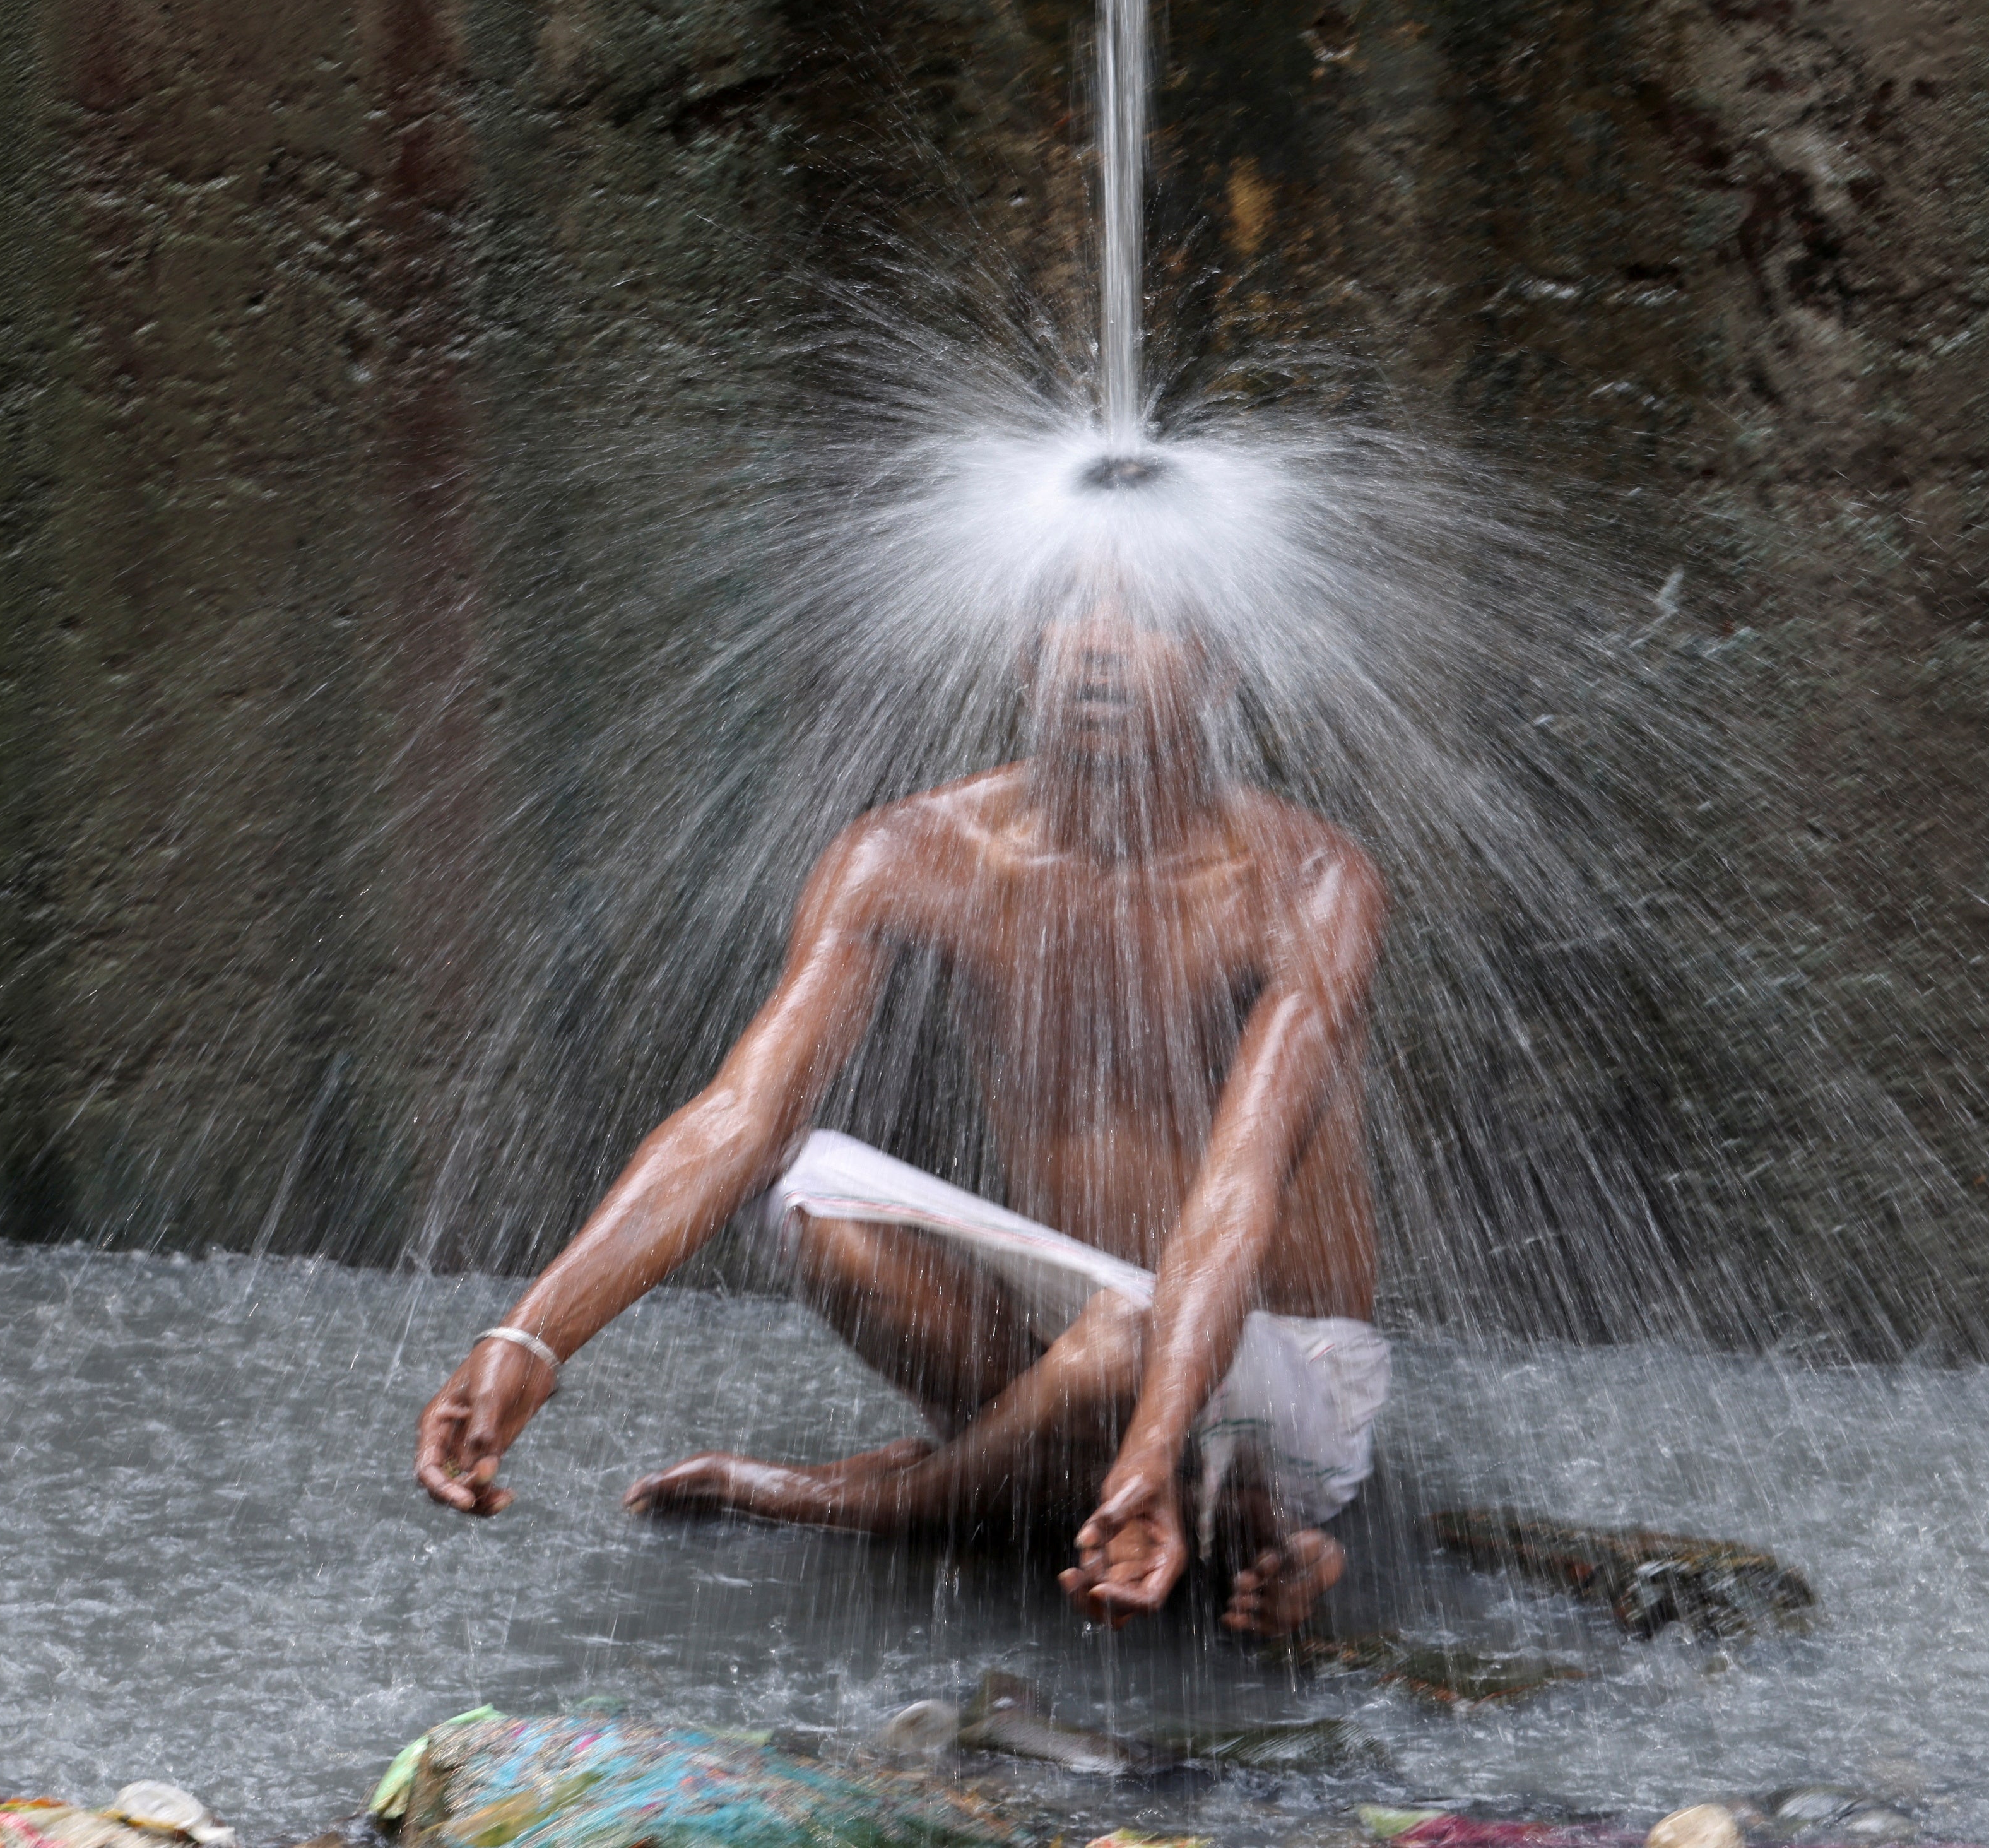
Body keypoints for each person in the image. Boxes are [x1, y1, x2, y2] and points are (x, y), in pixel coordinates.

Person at [413, 579, 1388, 1637]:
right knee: (804, 1194)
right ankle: (1189, 1516)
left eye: (1149, 611)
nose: (1097, 646)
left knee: (1124, 1343)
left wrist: (1156, 1440)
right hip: (1077, 1335)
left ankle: (919, 1501)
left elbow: (1239, 1193)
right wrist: (531, 1335)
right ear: (1023, 650)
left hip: (1283, 1369)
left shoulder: (1305, 876)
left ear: (1220, 664)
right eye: (1065, 604)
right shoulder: (912, 852)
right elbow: (738, 1113)